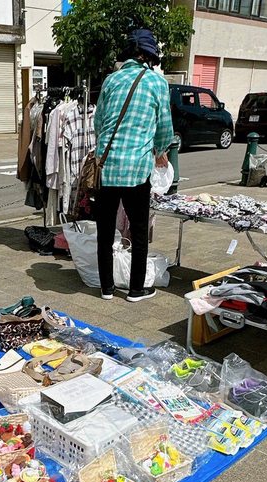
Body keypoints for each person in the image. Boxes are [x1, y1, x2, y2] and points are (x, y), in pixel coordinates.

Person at [93, 29, 174, 303]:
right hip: (137, 168)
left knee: (105, 231)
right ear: (149, 56)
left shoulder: (110, 80)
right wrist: (159, 150)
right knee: (138, 231)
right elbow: (165, 128)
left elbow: (98, 123)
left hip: (107, 166)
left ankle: (106, 288)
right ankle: (136, 290)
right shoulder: (156, 82)